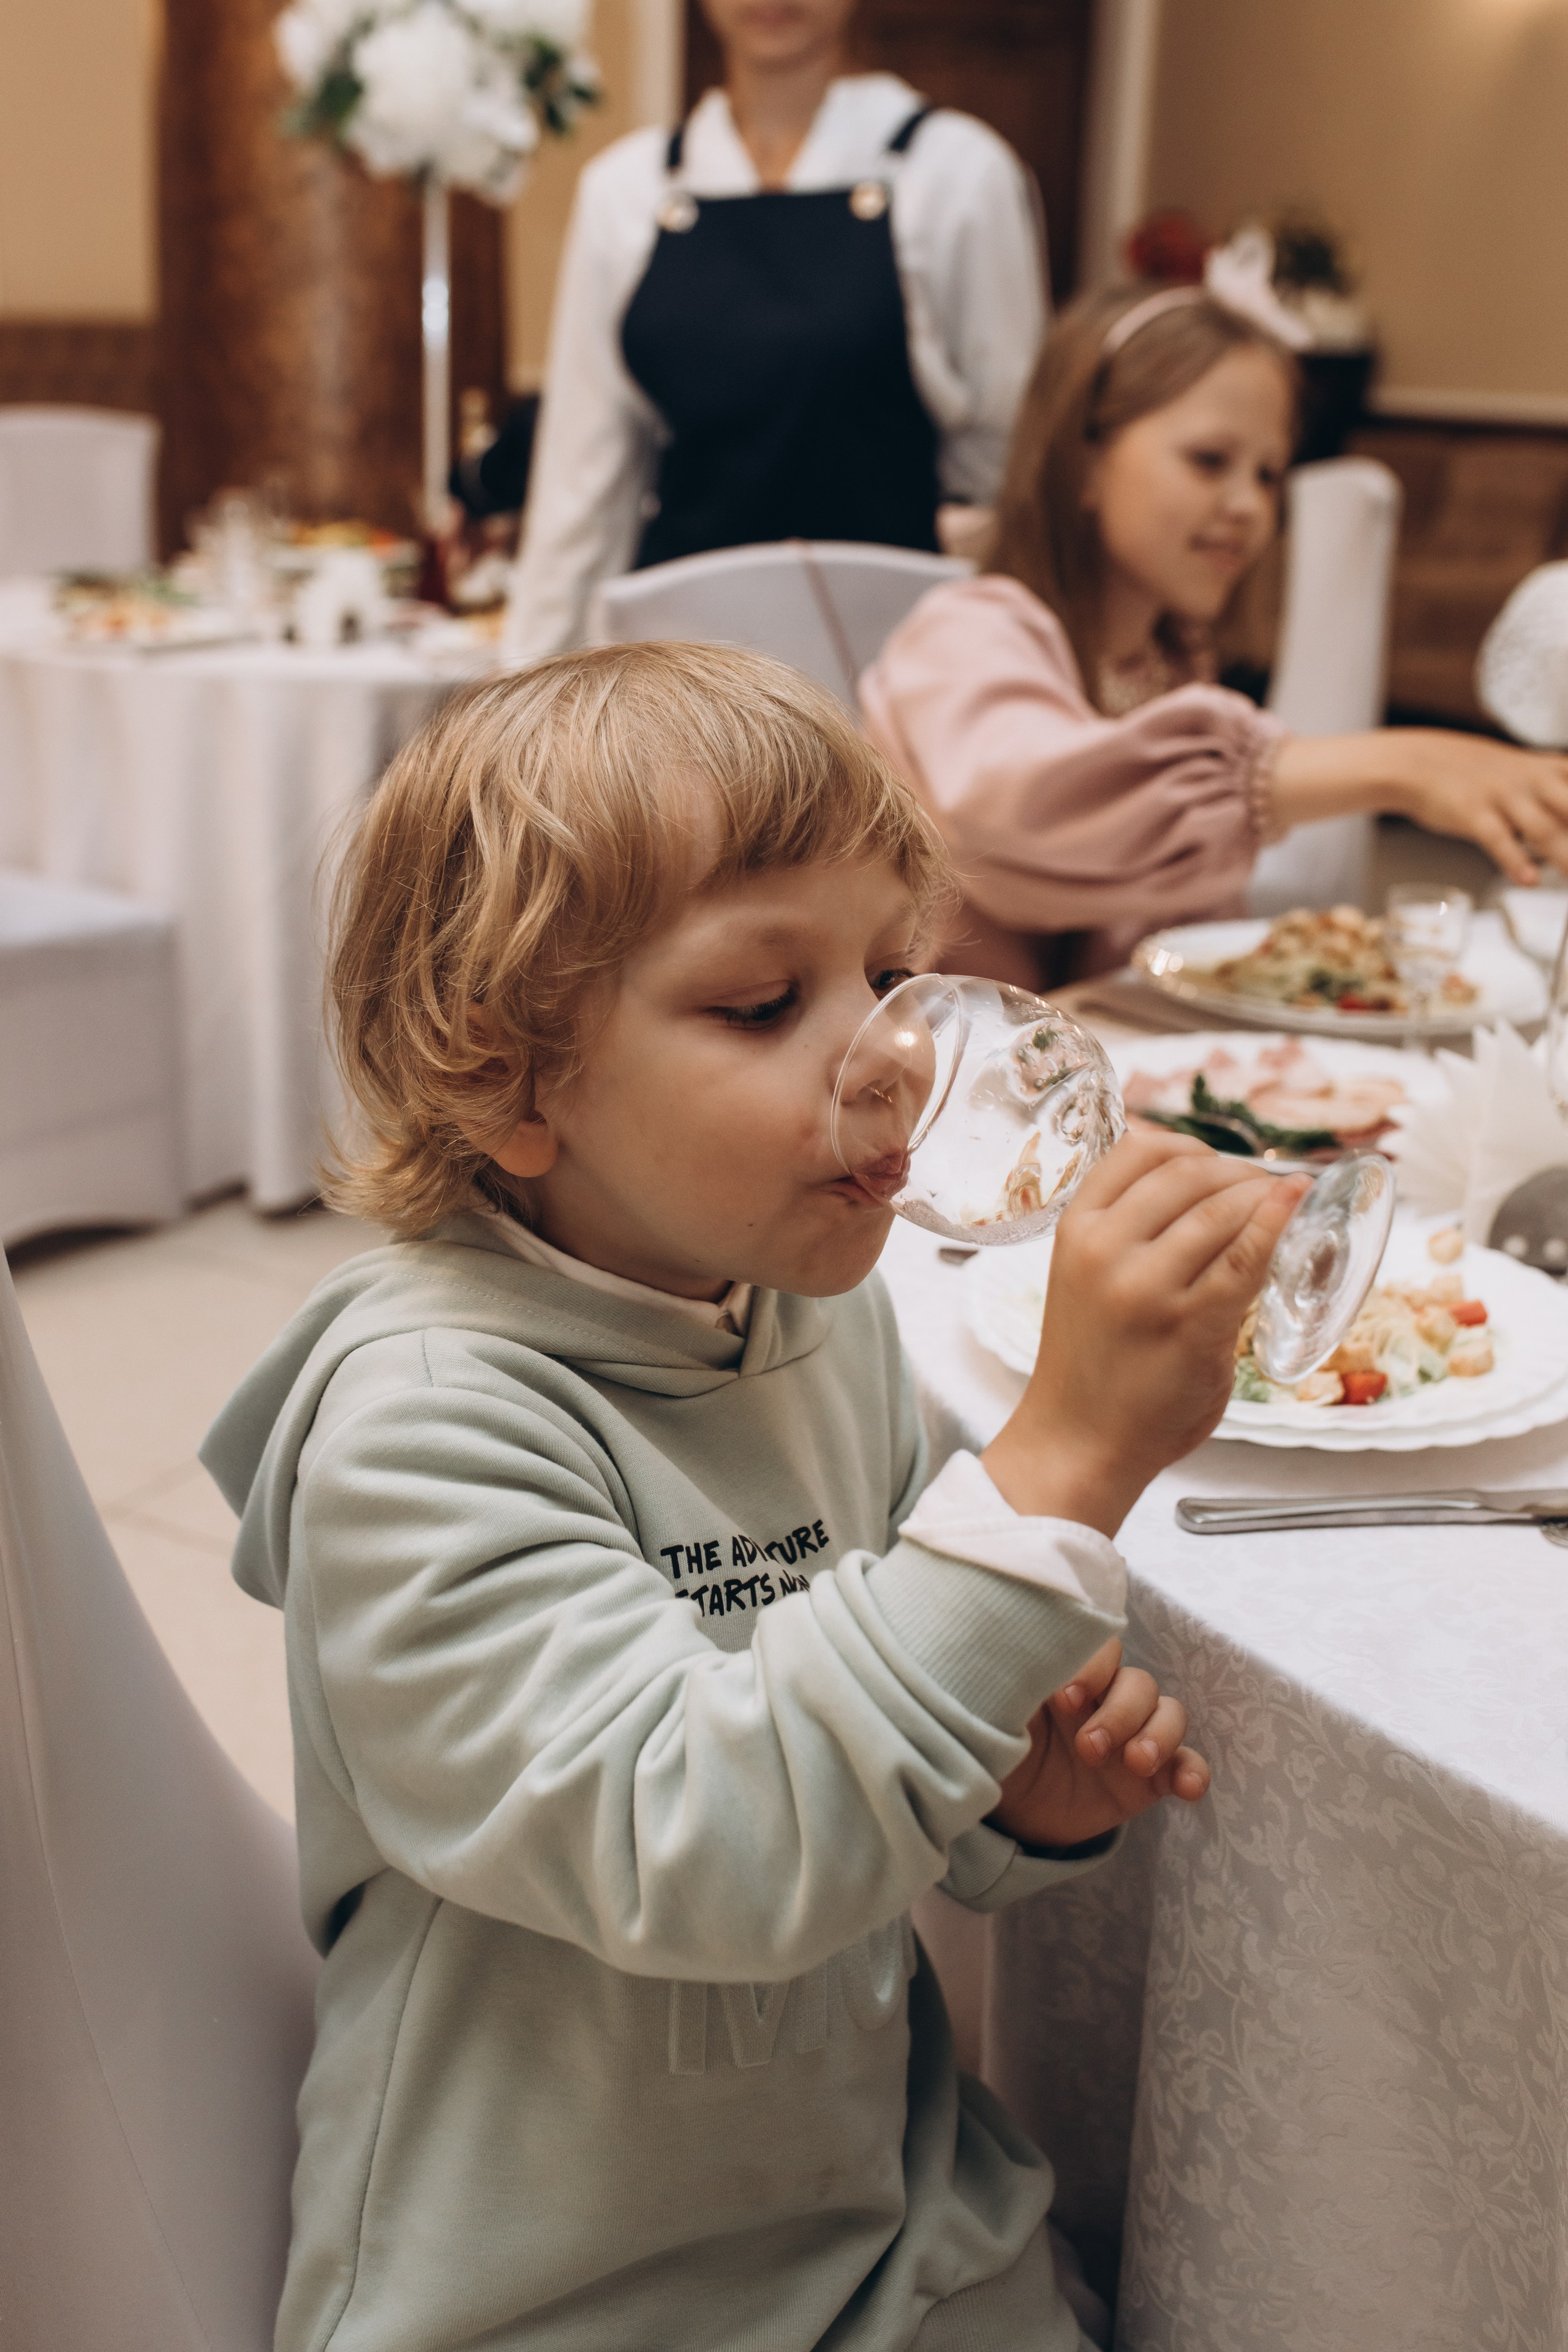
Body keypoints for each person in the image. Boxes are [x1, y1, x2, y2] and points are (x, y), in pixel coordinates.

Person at [200, 642, 1303, 2352]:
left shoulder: (820, 1321)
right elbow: (707, 1849)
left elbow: (878, 1744)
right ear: (512, 1079)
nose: (891, 1059)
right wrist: (1060, 1464)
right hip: (559, 2288)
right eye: (762, 1004)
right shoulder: (420, 1435)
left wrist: (1015, 1799)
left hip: (878, 2214)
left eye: (889, 973)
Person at [859, 284, 1568, 987]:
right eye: (1208, 460)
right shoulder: (967, 632)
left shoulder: (1167, 666)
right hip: (946, 1049)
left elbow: (1178, 932)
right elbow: (1035, 812)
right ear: (1083, 460)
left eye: (1268, 474)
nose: (1248, 505)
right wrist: (1401, 767)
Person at [502, 0, 1045, 662]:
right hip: (686, 660)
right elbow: (581, 484)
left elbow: (1003, 458)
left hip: (893, 652)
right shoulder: (626, 188)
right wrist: (527, 678)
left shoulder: (959, 172)